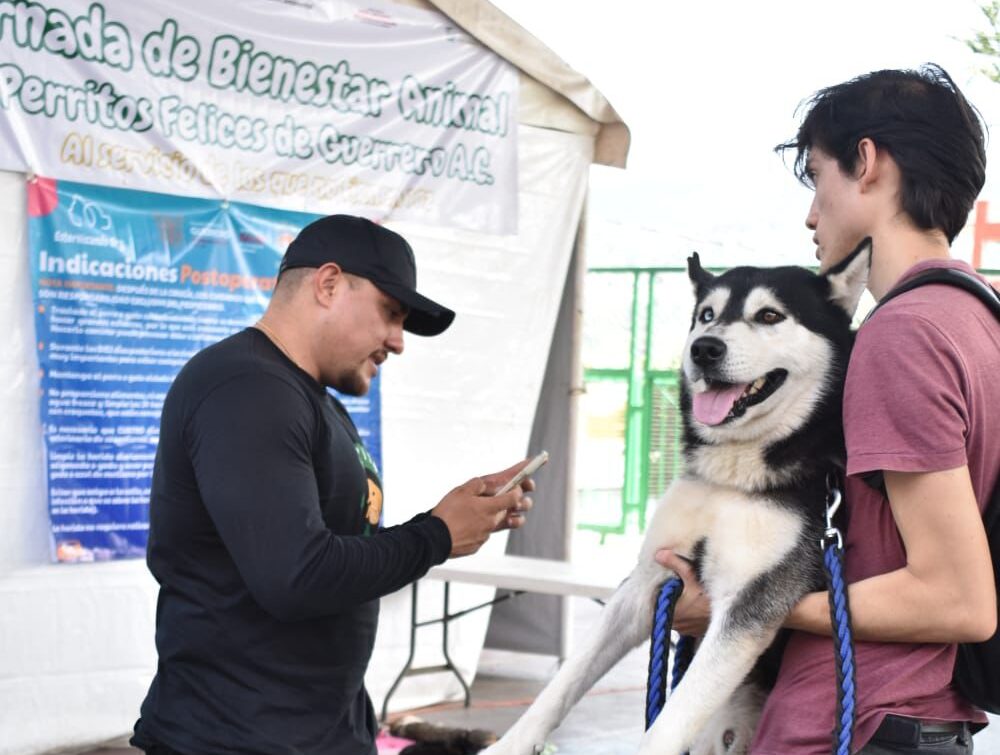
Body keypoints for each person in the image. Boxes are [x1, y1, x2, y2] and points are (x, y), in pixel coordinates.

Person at [658, 64, 998, 754]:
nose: (811, 214)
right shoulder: (978, 317)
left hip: (856, 721)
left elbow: (957, 597)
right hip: (916, 718)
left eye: (818, 179)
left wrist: (739, 608)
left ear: (866, 163)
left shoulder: (902, 334)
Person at [130, 214, 536, 755]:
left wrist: (455, 521)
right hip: (233, 739)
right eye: (391, 314)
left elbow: (344, 553)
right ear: (327, 284)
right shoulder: (245, 388)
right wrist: (435, 536)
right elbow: (297, 577)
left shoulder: (313, 402)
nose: (398, 342)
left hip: (318, 733)